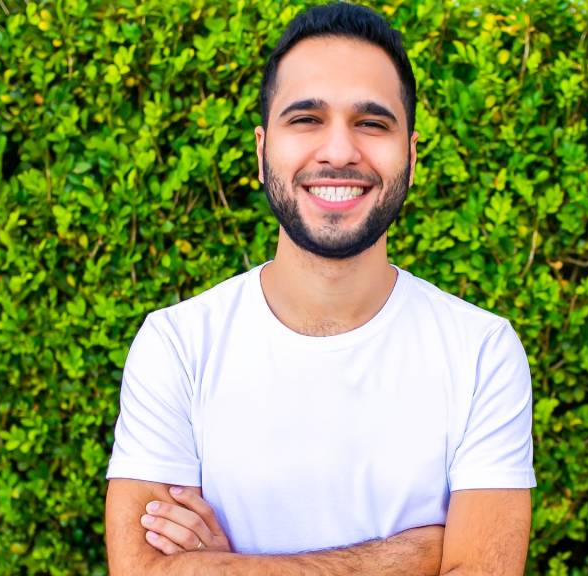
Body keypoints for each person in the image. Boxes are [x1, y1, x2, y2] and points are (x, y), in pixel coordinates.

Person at [104, 3, 536, 574]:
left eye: (372, 123)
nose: (339, 151)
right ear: (262, 152)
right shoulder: (178, 346)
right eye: (306, 119)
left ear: (411, 156)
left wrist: (220, 567)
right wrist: (412, 556)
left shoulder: (481, 352)